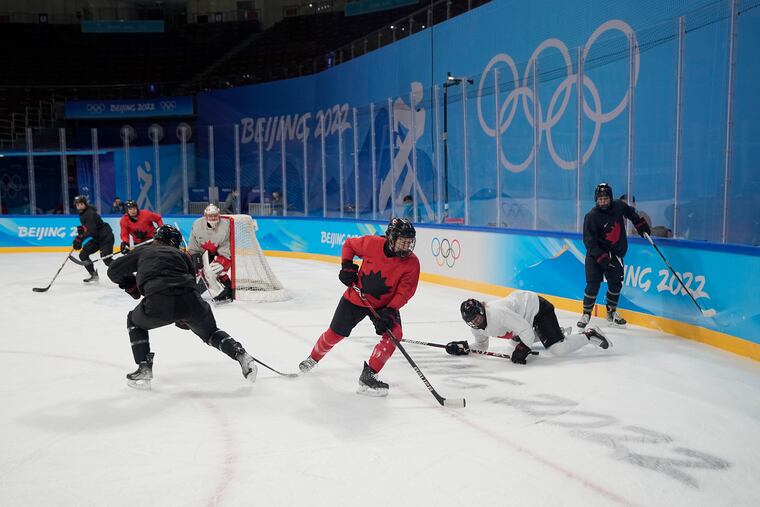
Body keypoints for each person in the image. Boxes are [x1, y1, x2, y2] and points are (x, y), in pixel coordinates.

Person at [106, 225, 257, 389]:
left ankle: (144, 368)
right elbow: (192, 283)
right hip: (191, 300)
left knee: (134, 321)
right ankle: (240, 354)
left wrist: (131, 285)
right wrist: (185, 316)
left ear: (157, 239)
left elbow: (113, 271)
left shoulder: (144, 251)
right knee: (211, 333)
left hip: (158, 301)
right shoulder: (182, 256)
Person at [298, 217, 420, 397]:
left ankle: (369, 374)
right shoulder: (372, 244)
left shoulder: (411, 263)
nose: (407, 246)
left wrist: (390, 310)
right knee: (334, 334)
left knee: (395, 335)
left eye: (410, 242)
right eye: (403, 242)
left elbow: (405, 291)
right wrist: (347, 266)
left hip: (384, 305)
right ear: (391, 238)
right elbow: (349, 245)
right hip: (356, 297)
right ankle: (312, 359)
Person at [447, 293, 610, 365]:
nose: (476, 321)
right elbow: (482, 346)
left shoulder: (497, 314)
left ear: (482, 310)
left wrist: (524, 347)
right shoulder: (476, 328)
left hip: (537, 310)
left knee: (558, 349)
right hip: (522, 318)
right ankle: (554, 332)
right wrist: (465, 348)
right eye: (472, 320)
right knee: (513, 344)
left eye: (477, 316)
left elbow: (525, 330)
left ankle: (589, 334)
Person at [579, 183, 651, 329]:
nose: (603, 202)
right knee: (593, 284)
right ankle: (586, 314)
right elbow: (589, 241)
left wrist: (640, 226)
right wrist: (601, 258)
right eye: (600, 199)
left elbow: (632, 214)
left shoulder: (619, 206)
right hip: (595, 255)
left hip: (615, 253)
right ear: (596, 200)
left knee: (615, 284)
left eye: (605, 199)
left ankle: (611, 313)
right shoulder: (591, 216)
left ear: (610, 198)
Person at [187, 203, 233, 302]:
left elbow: (226, 247)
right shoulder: (197, 224)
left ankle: (228, 289)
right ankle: (189, 291)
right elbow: (193, 244)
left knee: (213, 271)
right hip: (201, 252)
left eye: (215, 215)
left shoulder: (226, 226)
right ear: (205, 216)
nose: (213, 218)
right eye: (210, 216)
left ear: (219, 214)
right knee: (190, 269)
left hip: (220, 253)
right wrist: (194, 258)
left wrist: (223, 262)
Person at [72, 195, 115, 283]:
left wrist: (80, 238)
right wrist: (82, 231)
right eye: (77, 205)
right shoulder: (82, 213)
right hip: (97, 238)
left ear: (85, 204)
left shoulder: (89, 213)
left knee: (106, 259)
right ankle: (93, 275)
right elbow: (90, 228)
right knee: (83, 255)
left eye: (81, 204)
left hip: (105, 237)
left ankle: (125, 271)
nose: (79, 206)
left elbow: (92, 230)